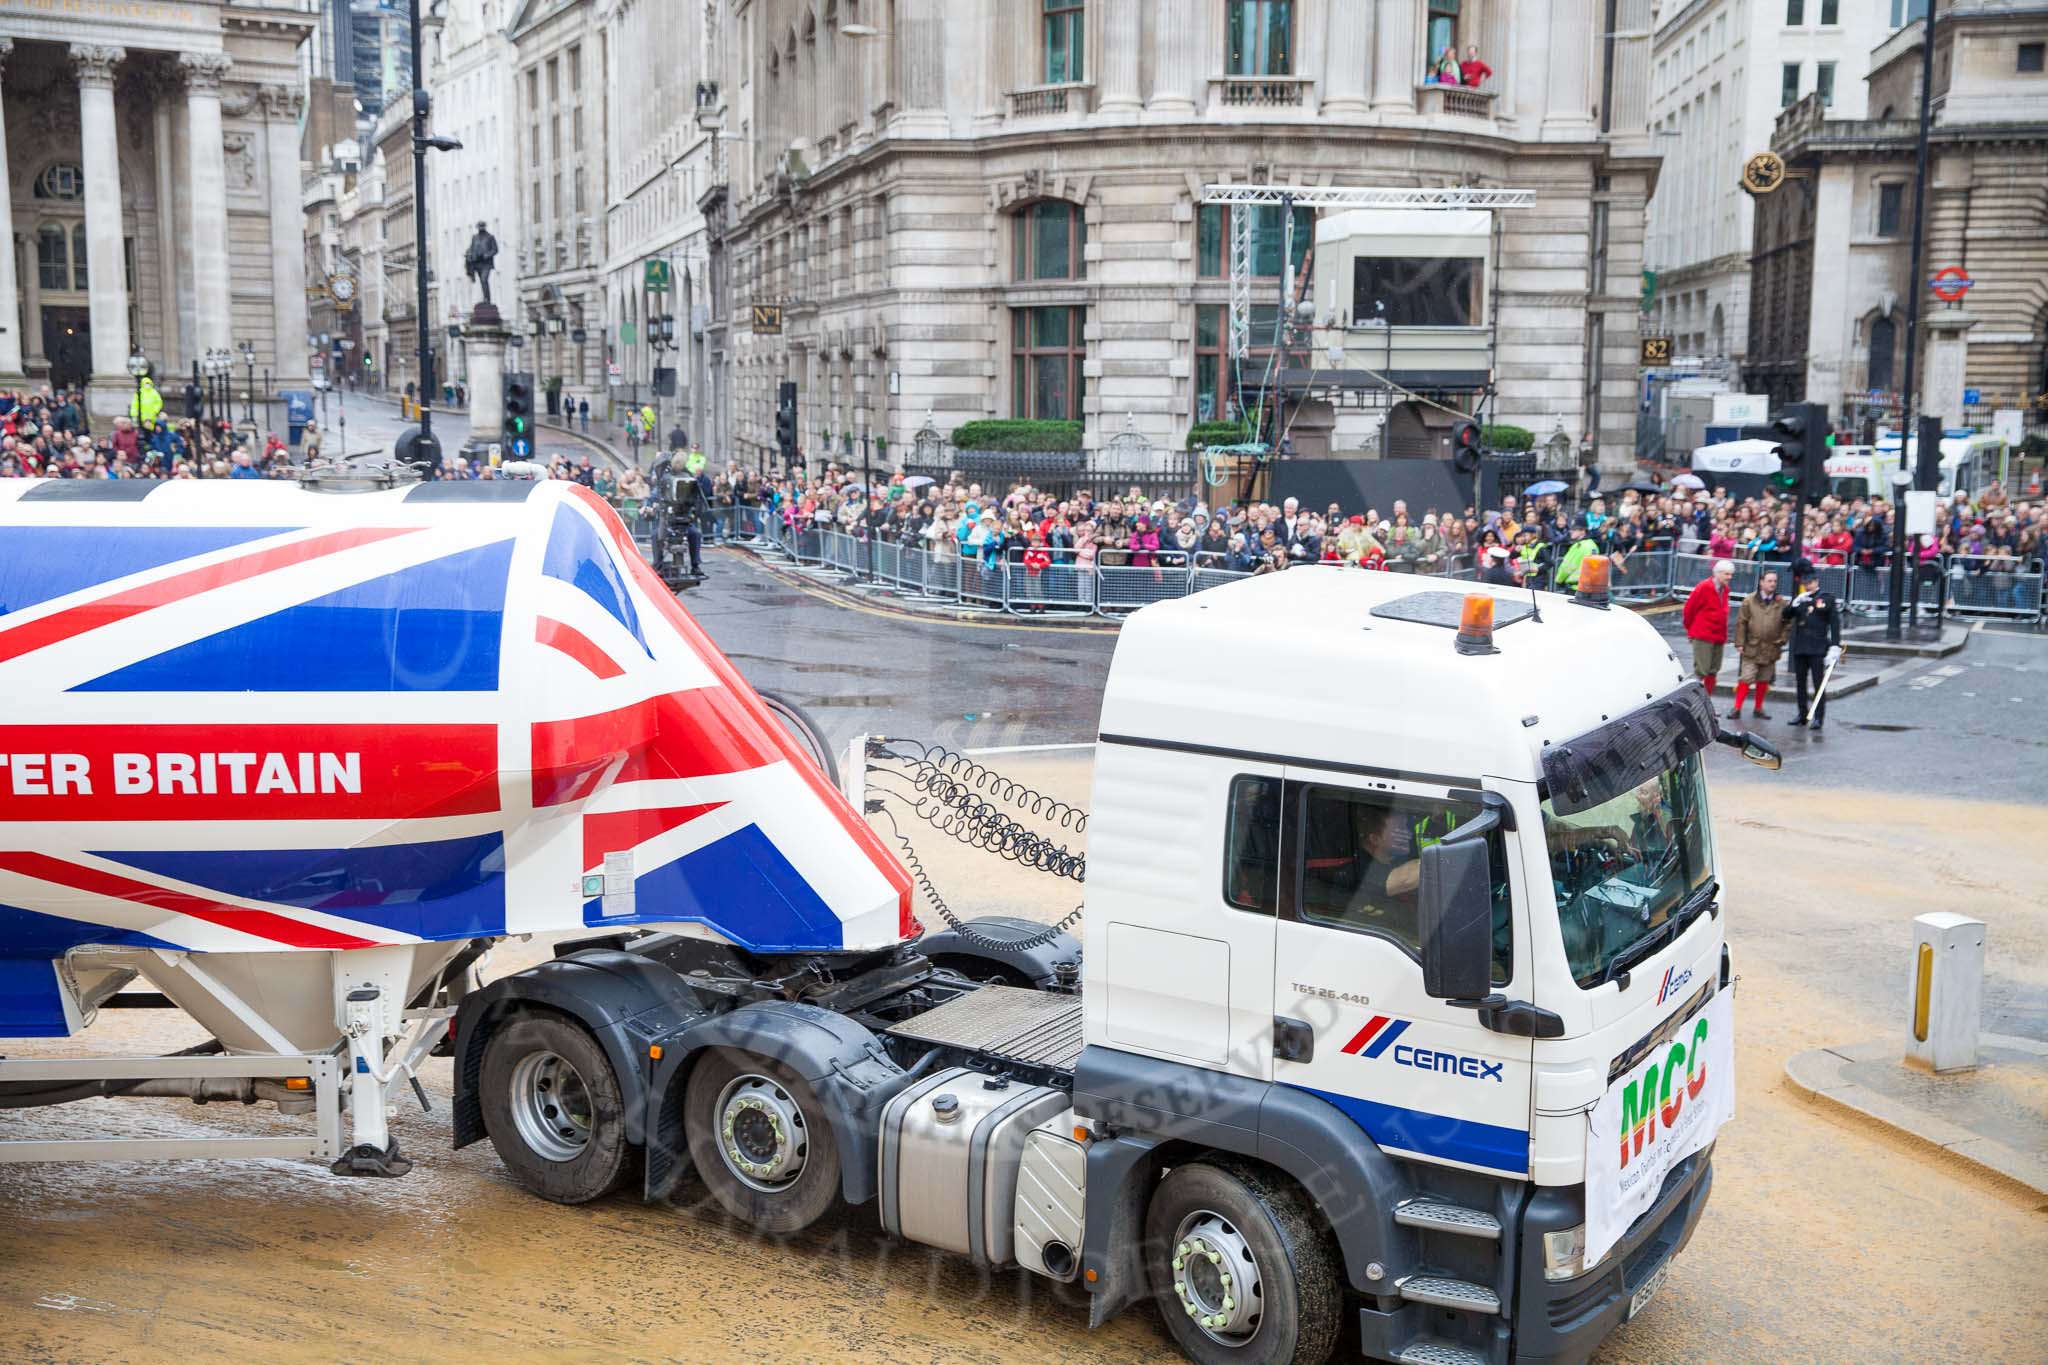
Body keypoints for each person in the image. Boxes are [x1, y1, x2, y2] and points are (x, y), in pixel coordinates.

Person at [1785, 560, 1843, 732]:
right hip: (1801, 646)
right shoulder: (1801, 599)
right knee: (1800, 683)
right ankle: (1802, 713)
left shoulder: (1826, 599)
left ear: (1817, 581)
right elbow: (1786, 615)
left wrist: (1835, 646)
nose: (1807, 586)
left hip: (1818, 647)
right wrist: (1794, 603)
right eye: (1805, 583)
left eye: (1810, 583)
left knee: (1818, 683)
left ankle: (1818, 716)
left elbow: (1834, 624)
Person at [1731, 568, 1791, 719]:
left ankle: (1758, 708)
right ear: (1762, 582)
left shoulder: (1781, 602)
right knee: (1746, 677)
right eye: (1769, 581)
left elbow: (1788, 623)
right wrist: (1739, 642)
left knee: (1764, 679)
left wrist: (1783, 639)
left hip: (1771, 647)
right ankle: (1736, 708)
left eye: (1775, 581)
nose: (1772, 584)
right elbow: (1741, 622)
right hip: (1752, 645)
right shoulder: (1750, 600)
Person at [1682, 559, 1734, 697]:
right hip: (1703, 634)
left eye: (1731, 574)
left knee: (1713, 670)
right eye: (1727, 574)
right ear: (1717, 573)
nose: (1730, 577)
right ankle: (1692, 701)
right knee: (1701, 670)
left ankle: (1707, 702)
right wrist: (1691, 630)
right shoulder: (1704, 587)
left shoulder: (1725, 590)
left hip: (1718, 635)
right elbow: (1689, 610)